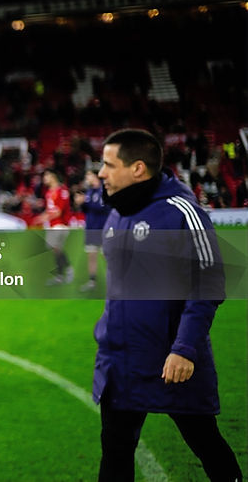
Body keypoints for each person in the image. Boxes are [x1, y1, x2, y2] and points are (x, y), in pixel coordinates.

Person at [93, 129, 241, 482]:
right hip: (121, 360)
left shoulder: (181, 211)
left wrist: (185, 349)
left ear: (138, 168)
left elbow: (207, 284)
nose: (101, 173)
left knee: (204, 441)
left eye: (109, 165)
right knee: (115, 451)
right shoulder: (116, 213)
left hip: (171, 359)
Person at [34, 168, 73, 284]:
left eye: (46, 176)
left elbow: (58, 212)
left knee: (55, 247)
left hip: (60, 224)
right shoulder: (48, 193)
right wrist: (41, 217)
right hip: (52, 225)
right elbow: (49, 210)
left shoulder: (62, 191)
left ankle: (68, 270)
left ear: (53, 177)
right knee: (56, 249)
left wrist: (42, 218)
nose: (44, 179)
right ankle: (61, 274)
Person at [75, 169, 110, 292]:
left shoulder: (104, 190)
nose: (87, 178)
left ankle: (114, 282)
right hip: (90, 228)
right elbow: (87, 210)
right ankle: (92, 281)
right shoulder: (89, 191)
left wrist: (86, 202)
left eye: (88, 175)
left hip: (102, 228)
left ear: (95, 176)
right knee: (91, 255)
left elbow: (103, 207)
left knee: (107, 256)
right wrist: (81, 204)